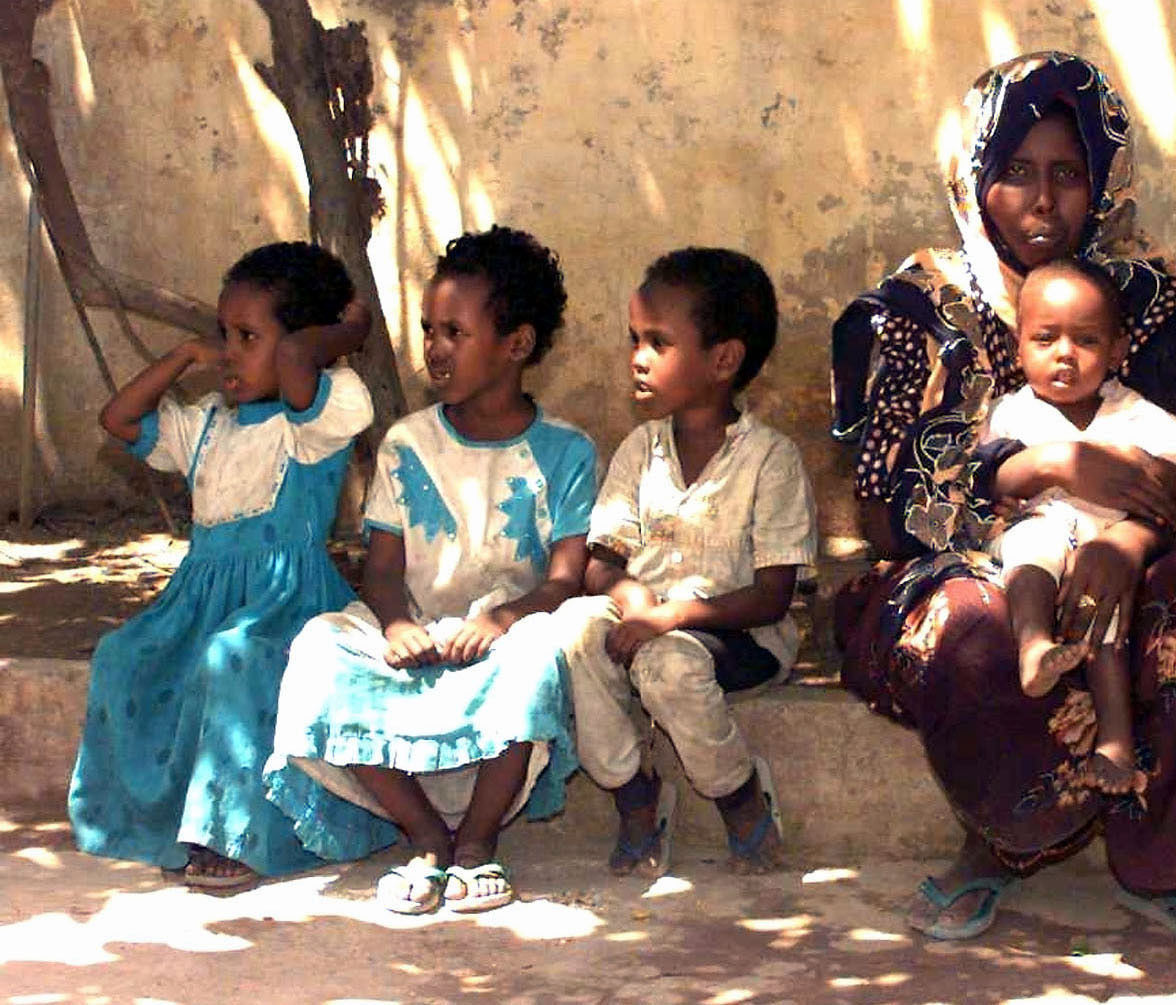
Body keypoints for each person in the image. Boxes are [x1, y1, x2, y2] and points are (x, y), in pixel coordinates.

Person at [830, 51, 1176, 950]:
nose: (1042, 201)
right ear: (976, 177)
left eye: (1068, 174)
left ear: (1104, 181)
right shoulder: (917, 305)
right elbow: (878, 509)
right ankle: (997, 840)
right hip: (962, 567)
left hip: (1126, 559)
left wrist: (1127, 539)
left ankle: (1163, 856)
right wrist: (1050, 467)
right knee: (978, 627)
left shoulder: (1154, 308)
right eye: (1015, 172)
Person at [263, 226, 594, 914]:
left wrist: (502, 619)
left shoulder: (567, 452)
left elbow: (564, 579)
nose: (434, 348)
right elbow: (381, 569)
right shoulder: (406, 442)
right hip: (414, 632)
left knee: (540, 655)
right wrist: (394, 624)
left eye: (454, 331)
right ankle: (423, 838)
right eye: (428, 329)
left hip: (504, 635)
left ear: (517, 344)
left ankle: (475, 843)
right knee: (320, 649)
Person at [70, 242, 374, 889]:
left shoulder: (318, 419)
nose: (229, 351)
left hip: (285, 604)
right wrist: (184, 356)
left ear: (304, 343)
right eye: (222, 333)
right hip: (198, 601)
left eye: (247, 336)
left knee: (234, 654)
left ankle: (233, 833)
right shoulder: (208, 422)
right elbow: (117, 418)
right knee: (122, 653)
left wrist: (349, 332)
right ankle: (153, 822)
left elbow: (297, 360)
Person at [560, 248, 816, 877]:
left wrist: (669, 618)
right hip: (644, 625)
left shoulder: (770, 460)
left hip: (740, 635)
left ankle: (740, 798)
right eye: (634, 339)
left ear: (723, 360)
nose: (637, 358)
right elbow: (600, 564)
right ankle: (635, 792)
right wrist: (636, 601)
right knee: (570, 633)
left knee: (669, 664)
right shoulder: (638, 450)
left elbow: (772, 596)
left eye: (658, 342)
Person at [985, 259, 1176, 795]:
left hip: (1104, 546)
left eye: (1086, 340)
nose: (1064, 354)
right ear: (1018, 347)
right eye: (1045, 338)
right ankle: (1034, 646)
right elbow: (984, 477)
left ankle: (1115, 740)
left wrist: (1159, 472)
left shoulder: (1139, 417)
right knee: (1029, 547)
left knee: (1106, 619)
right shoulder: (1009, 414)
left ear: (1118, 351)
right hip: (1043, 527)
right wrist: (1019, 479)